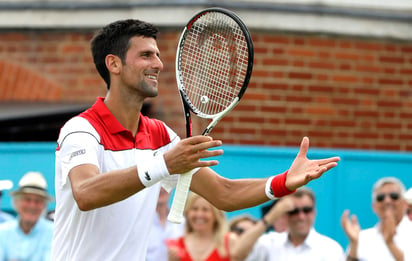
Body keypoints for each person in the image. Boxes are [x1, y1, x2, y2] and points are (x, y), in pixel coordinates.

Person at [50, 18, 340, 260]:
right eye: (146, 55)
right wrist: (164, 165)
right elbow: (86, 193)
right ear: (113, 64)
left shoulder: (161, 135)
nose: (159, 64)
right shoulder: (80, 130)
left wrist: (282, 182)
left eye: (158, 55)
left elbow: (223, 193)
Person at [233, 187, 344, 261]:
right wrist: (271, 217)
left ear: (314, 213)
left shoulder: (330, 248)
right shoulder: (270, 242)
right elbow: (236, 255)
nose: (301, 216)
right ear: (284, 214)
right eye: (294, 211)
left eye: (306, 210)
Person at [341, 177, 412, 261]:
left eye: (394, 196)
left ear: (405, 204)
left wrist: (390, 243)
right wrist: (354, 244)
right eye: (380, 197)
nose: (387, 201)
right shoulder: (362, 237)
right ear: (374, 207)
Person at [0, 171, 54, 261]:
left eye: (38, 201)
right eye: (27, 200)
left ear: (44, 206)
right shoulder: (2, 231)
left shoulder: (53, 233)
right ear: (16, 202)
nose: (32, 206)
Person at [167, 192, 235, 261]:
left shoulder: (229, 242)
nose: (199, 214)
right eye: (194, 209)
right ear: (187, 213)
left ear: (216, 215)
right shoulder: (177, 245)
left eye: (205, 209)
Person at [146, 187, 185, 261]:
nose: (161, 189)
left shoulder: (182, 222)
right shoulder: (142, 223)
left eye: (166, 185)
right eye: (158, 186)